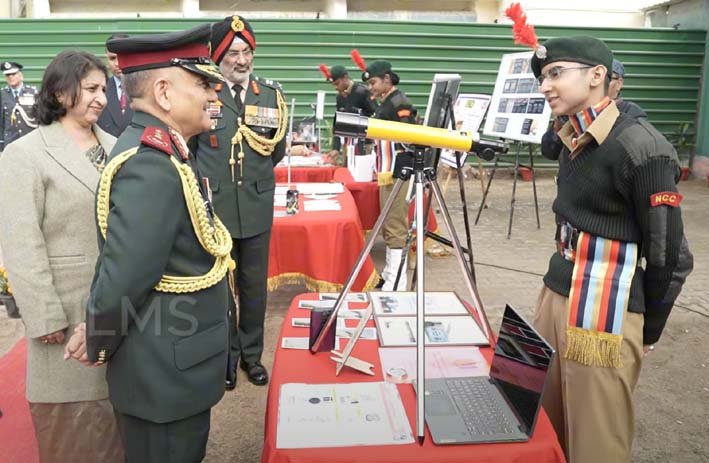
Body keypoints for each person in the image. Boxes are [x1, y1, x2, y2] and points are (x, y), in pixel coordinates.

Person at [64, 25, 233, 462]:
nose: (213, 94)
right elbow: (125, 275)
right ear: (163, 93)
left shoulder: (168, 151)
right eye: (202, 84)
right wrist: (98, 337)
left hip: (173, 370)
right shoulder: (151, 166)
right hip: (164, 380)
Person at [530, 36, 693, 462]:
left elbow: (670, 255)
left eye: (555, 73)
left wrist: (648, 329)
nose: (545, 86)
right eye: (543, 77)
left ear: (597, 75)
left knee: (595, 440)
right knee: (543, 421)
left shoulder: (641, 148)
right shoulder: (573, 135)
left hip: (604, 308)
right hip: (557, 291)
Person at [0, 50, 123, 462]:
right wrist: (44, 315)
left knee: (118, 425)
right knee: (73, 435)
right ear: (59, 92)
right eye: (91, 89)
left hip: (119, 311)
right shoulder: (25, 154)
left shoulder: (118, 147)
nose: (101, 98)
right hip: (65, 315)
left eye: (103, 89)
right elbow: (21, 241)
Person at [190, 15, 288, 389]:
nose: (242, 60)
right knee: (220, 289)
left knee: (253, 286)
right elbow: (192, 151)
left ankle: (251, 356)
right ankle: (226, 357)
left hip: (257, 206)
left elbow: (275, 150)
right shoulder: (204, 94)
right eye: (233, 53)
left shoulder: (270, 96)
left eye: (247, 51)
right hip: (216, 210)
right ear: (218, 56)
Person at [358, 56, 417, 291]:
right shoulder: (387, 101)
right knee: (389, 223)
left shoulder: (399, 102)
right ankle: (391, 273)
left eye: (373, 82)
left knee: (395, 224)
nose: (370, 87)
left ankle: (397, 281)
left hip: (398, 170)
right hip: (388, 171)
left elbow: (410, 137)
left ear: (386, 79)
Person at [541, 57, 646, 159]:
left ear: (619, 84)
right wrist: (558, 126)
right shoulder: (574, 111)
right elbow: (550, 152)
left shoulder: (632, 113)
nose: (601, 83)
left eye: (608, 78)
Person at [319, 63, 376, 165]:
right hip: (348, 145)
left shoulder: (362, 92)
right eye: (334, 85)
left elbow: (375, 115)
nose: (335, 88)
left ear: (345, 78)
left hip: (364, 143)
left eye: (337, 84)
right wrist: (336, 148)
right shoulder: (340, 97)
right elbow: (338, 123)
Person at [97, 33, 134, 136]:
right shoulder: (97, 91)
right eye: (112, 58)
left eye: (122, 57)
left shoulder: (146, 90)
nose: (117, 64)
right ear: (106, 59)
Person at [0, 61, 38, 152]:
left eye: (13, 74)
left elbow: (40, 117)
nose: (10, 77)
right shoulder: (2, 94)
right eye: (8, 75)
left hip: (29, 140)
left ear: (21, 75)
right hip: (10, 143)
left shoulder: (33, 92)